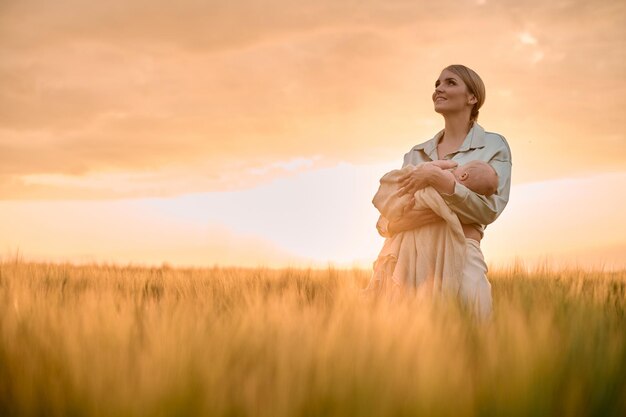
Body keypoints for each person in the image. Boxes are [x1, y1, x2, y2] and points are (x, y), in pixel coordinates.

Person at [369, 65, 512, 321]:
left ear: (472, 97)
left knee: (472, 333)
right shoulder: (417, 153)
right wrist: (402, 220)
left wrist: (439, 181)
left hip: (462, 252)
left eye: (450, 82)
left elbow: (489, 210)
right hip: (409, 256)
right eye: (437, 84)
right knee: (410, 343)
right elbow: (387, 213)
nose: (439, 89)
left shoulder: (493, 145)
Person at [365, 160, 499, 308]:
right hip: (409, 249)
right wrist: (397, 224)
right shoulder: (416, 153)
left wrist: (435, 176)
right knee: (412, 313)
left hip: (459, 251)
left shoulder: (492, 148)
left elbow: (489, 210)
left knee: (473, 314)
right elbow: (392, 205)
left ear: (464, 175)